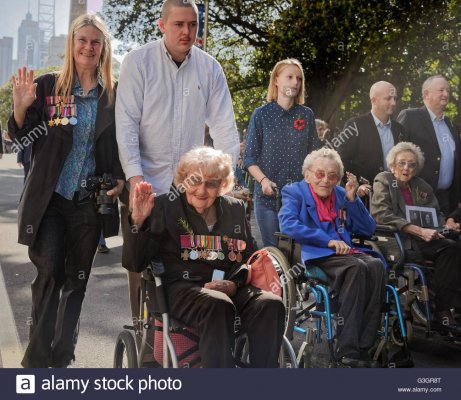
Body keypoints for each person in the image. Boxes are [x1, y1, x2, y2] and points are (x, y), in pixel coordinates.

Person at [8, 14, 124, 368]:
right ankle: (37, 361)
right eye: (82, 40)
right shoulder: (47, 86)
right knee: (50, 275)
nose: (88, 48)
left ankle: (61, 359)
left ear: (103, 48)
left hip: (89, 204)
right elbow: (18, 136)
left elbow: (122, 143)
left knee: (76, 282)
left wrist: (119, 178)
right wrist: (21, 106)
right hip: (50, 201)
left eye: (95, 42)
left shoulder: (113, 95)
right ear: (71, 45)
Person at [115, 0, 240, 323]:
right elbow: (127, 123)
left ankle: (189, 333)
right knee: (141, 264)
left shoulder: (209, 67)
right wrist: (133, 179)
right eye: (179, 24)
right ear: (162, 25)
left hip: (191, 188)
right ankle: (145, 337)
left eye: (193, 25)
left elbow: (225, 127)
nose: (187, 32)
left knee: (188, 262)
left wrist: (225, 183)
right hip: (146, 182)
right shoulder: (138, 62)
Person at [123, 146, 285, 367]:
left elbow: (248, 257)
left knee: (270, 303)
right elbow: (134, 263)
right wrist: (138, 222)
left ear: (222, 185)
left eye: (211, 183)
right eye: (194, 181)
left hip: (230, 287)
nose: (201, 190)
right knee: (217, 304)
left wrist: (234, 283)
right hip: (179, 289)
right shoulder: (164, 207)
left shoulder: (235, 209)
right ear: (183, 180)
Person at [278, 148, 385, 367]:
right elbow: (288, 224)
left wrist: (353, 200)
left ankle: (364, 344)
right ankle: (347, 349)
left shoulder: (340, 193)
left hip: (345, 252)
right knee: (356, 268)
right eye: (320, 174)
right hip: (316, 251)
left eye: (332, 176)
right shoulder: (294, 191)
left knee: (375, 265)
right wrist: (326, 241)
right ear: (307, 174)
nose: (326, 180)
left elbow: (368, 229)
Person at [371, 142, 461, 333]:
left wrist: (447, 225)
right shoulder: (384, 180)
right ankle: (442, 311)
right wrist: (419, 230)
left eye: (411, 164)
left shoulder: (422, 185)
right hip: (398, 240)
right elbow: (381, 214)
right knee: (450, 250)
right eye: (402, 163)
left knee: (453, 246)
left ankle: (446, 309)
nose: (406, 168)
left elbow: (436, 213)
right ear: (392, 165)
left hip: (424, 239)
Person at [243, 58, 320, 247]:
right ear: (276, 80)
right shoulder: (261, 114)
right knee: (274, 253)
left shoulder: (306, 114)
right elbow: (249, 158)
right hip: (268, 198)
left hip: (299, 199)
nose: (295, 82)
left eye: (299, 79)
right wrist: (263, 181)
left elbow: (315, 156)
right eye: (290, 77)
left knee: (297, 253)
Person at [397, 75, 461, 215]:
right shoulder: (410, 117)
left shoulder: (451, 125)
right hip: (416, 198)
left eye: (448, 91)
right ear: (426, 93)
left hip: (447, 200)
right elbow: (395, 156)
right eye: (441, 90)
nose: (446, 94)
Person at [338, 81, 407, 197]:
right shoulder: (355, 125)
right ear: (374, 100)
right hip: (365, 196)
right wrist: (357, 185)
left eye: (395, 98)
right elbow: (341, 161)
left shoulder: (400, 129)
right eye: (388, 99)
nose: (394, 103)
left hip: (395, 195)